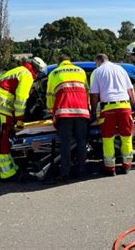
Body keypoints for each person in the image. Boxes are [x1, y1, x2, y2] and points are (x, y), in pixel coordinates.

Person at [0, 56, 46, 180]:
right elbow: (21, 99)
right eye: (38, 73)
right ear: (36, 69)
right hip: (0, 107)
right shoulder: (27, 75)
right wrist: (20, 118)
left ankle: (9, 167)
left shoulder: (19, 70)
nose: (37, 76)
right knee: (2, 139)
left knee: (1, 138)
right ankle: (7, 173)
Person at [45, 54, 90, 183]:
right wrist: (88, 107)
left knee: (65, 144)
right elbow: (86, 90)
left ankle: (65, 173)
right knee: (82, 141)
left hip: (64, 112)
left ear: (59, 62)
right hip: (82, 111)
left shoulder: (54, 73)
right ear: (70, 61)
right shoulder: (80, 71)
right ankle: (82, 170)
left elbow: (49, 95)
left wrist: (50, 111)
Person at [90, 54, 135, 176]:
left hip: (108, 108)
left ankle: (110, 168)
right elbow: (130, 90)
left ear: (98, 61)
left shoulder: (98, 71)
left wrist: (93, 111)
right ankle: (127, 165)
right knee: (126, 137)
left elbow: (94, 94)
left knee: (107, 138)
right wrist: (133, 105)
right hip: (125, 107)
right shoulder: (121, 69)